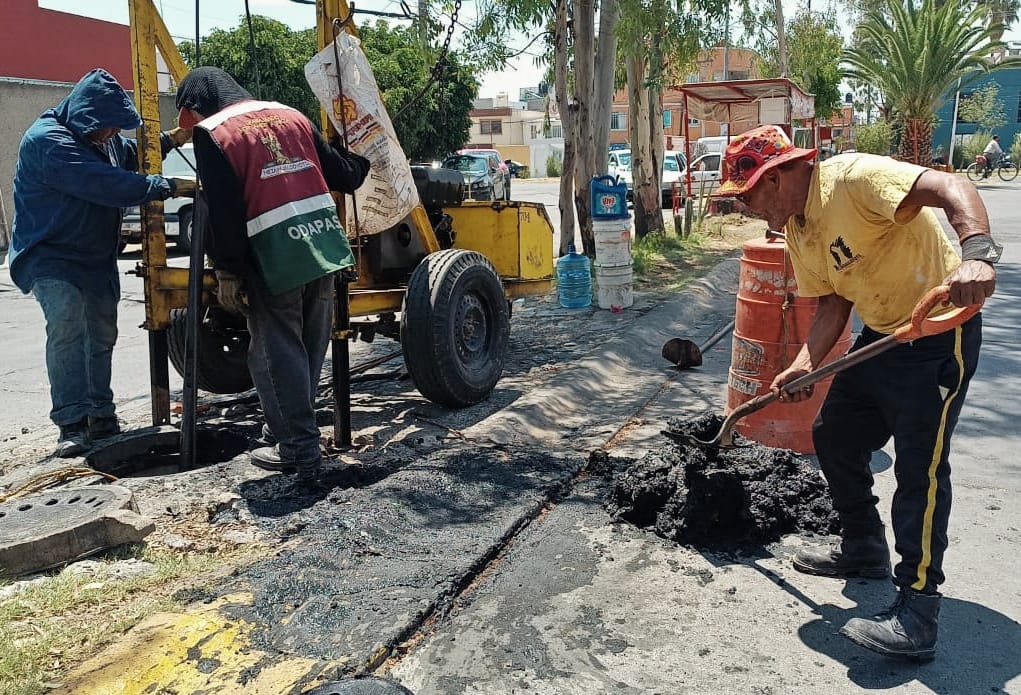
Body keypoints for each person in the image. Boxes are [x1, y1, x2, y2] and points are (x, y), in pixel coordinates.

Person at [716, 125, 1000, 661]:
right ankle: (863, 546)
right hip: (883, 335)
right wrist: (803, 366)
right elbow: (832, 304)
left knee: (922, 467)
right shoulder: (800, 232)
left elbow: (948, 186)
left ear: (775, 178)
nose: (749, 211)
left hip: (939, 331)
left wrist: (977, 252)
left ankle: (918, 610)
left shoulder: (854, 180)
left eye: (749, 197)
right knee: (835, 434)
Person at [174, 67, 370, 479]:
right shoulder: (291, 114)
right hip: (322, 247)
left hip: (274, 253)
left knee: (272, 354)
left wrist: (227, 271)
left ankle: (299, 450)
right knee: (306, 349)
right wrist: (366, 156)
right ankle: (284, 426)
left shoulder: (213, 133)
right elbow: (344, 175)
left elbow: (225, 212)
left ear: (193, 107)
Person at [9, 68, 194, 458]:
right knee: (68, 326)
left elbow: (131, 155)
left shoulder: (102, 138)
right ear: (85, 115)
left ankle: (101, 414)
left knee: (103, 333)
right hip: (51, 253)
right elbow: (101, 182)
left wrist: (175, 139)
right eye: (108, 127)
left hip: (93, 255)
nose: (113, 134)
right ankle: (72, 423)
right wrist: (163, 185)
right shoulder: (48, 142)